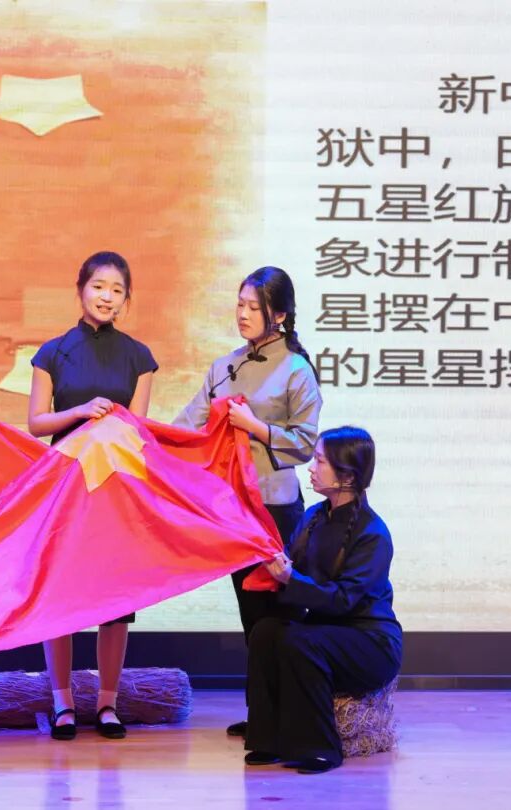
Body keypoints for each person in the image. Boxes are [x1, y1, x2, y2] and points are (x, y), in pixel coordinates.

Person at [174, 266, 322, 736]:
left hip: (274, 507)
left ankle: (285, 718)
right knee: (250, 614)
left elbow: (305, 443)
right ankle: (262, 714)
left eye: (253, 307)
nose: (242, 314)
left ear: (279, 315)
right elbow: (187, 425)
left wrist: (254, 426)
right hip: (232, 508)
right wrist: (136, 435)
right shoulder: (224, 366)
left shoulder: (296, 369)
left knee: (279, 613)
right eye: (239, 304)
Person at [28, 250, 158, 741]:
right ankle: (62, 702)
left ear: (127, 299)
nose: (107, 297)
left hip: (115, 491)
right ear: (80, 289)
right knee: (59, 593)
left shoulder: (139, 357)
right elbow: (37, 423)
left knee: (115, 600)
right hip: (64, 489)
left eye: (117, 290)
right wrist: (80, 412)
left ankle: (107, 703)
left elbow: (139, 430)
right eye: (99, 286)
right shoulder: (52, 353)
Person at [244, 426, 402, 774]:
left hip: (369, 643)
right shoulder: (313, 517)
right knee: (266, 631)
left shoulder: (373, 534)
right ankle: (267, 740)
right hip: (323, 634)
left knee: (300, 641)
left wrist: (290, 578)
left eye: (319, 461)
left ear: (347, 476)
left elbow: (344, 600)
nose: (311, 468)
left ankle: (319, 749)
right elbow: (290, 568)